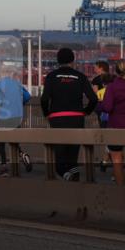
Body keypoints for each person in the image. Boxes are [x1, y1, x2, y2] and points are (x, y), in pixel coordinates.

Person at [40, 48, 99, 181]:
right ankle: (74, 178)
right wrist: (86, 111)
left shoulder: (51, 76)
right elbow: (94, 99)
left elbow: (44, 99)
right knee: (73, 154)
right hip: (76, 118)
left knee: (59, 155)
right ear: (73, 60)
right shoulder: (80, 76)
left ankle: (66, 176)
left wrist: (47, 113)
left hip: (57, 118)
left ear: (58, 60)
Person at [0, 68, 32, 177]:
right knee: (13, 141)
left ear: (1, 75)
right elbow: (28, 96)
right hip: (16, 117)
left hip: (4, 117)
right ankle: (22, 154)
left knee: (1, 143)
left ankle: (4, 167)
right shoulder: (17, 84)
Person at [91, 60, 114, 171]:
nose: (94, 69)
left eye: (96, 67)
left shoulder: (96, 80)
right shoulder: (114, 78)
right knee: (114, 136)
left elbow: (95, 95)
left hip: (103, 112)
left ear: (101, 68)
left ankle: (107, 160)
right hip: (115, 111)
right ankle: (106, 159)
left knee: (106, 135)